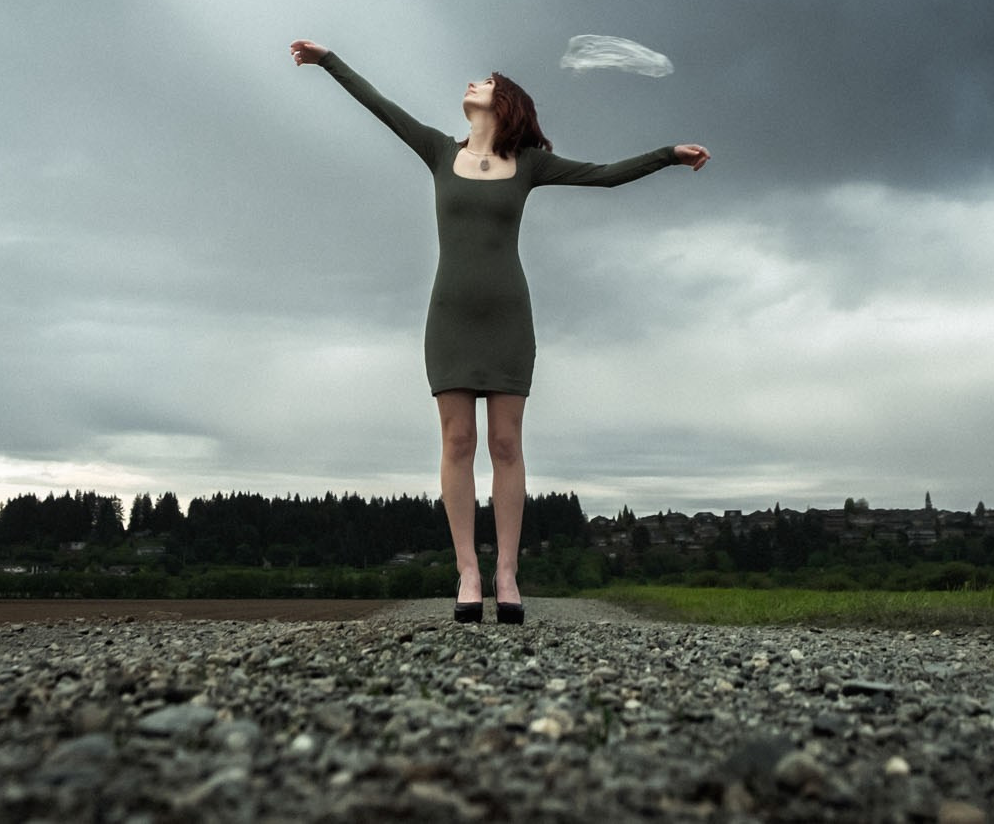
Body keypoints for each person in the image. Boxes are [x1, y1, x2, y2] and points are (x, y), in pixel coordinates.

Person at [290, 39, 709, 623]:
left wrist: (668, 153)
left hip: (509, 319)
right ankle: (467, 571)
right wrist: (329, 59)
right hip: (450, 319)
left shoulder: (529, 165)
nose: (471, 84)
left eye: (483, 81)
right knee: (457, 443)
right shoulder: (438, 150)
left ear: (502, 102)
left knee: (507, 445)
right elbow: (379, 105)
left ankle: (507, 573)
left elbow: (606, 176)